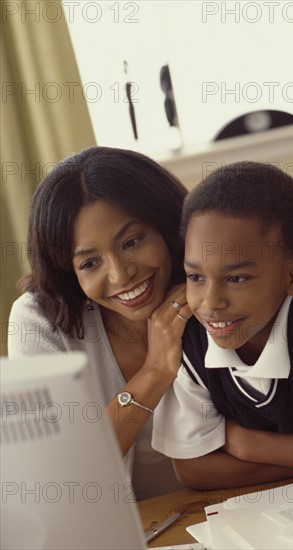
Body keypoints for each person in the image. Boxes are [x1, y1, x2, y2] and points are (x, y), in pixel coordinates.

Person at [152, 161, 293, 489]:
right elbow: (196, 471)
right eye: (196, 277)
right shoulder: (190, 341)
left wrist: (247, 446)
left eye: (236, 278)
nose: (210, 302)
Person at [7, 146, 193, 500]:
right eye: (90, 263)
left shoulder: (209, 287)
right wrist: (154, 372)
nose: (121, 274)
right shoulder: (38, 320)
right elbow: (64, 475)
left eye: (132, 242)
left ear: (168, 229)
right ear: (67, 270)